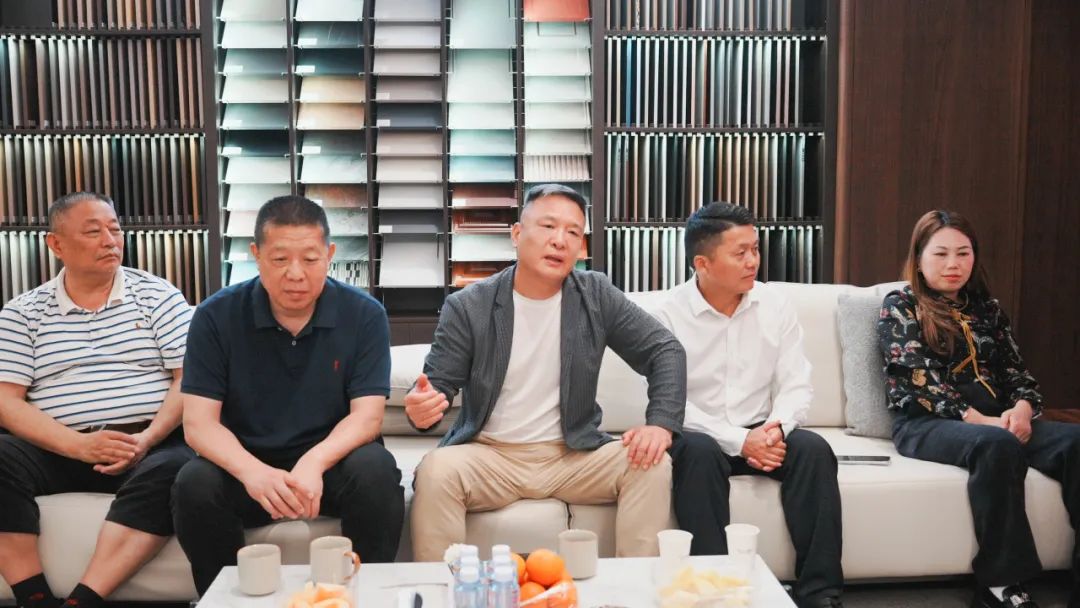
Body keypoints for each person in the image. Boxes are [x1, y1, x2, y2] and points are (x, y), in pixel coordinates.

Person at [405, 183, 686, 561]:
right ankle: (443, 588)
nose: (560, 240)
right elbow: (438, 384)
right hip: (491, 454)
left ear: (581, 247)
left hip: (573, 454)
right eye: (548, 226)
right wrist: (423, 405)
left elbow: (664, 349)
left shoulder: (595, 294)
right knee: (436, 471)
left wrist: (660, 425)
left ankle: (633, 587)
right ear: (517, 234)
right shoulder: (469, 305)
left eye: (573, 232)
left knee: (651, 465)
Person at [172, 195, 403, 594]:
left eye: (310, 259)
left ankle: (364, 597)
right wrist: (253, 473)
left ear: (330, 255)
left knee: (377, 470)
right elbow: (198, 425)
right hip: (248, 468)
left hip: (329, 466)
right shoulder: (215, 316)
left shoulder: (364, 314)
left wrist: (314, 462)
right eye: (280, 259)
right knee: (193, 482)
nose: (295, 274)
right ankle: (227, 600)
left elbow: (367, 417)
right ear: (256, 255)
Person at [0, 192, 194, 608]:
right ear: (56, 244)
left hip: (147, 444)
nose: (110, 240)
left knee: (183, 469)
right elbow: (6, 401)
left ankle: (83, 601)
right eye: (93, 232)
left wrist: (148, 438)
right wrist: (78, 445)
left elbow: (188, 380)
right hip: (59, 447)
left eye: (115, 229)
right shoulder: (22, 313)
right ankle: (34, 598)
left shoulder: (158, 296)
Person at [879, 209, 1080, 608]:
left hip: (998, 419)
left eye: (963, 253)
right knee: (996, 444)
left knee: (1075, 442)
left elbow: (1016, 372)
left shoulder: (987, 309)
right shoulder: (901, 304)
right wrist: (986, 422)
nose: (953, 264)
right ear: (918, 258)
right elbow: (921, 381)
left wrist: (1022, 409)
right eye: (940, 254)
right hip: (927, 422)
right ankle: (1001, 585)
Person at [654, 202, 844, 608]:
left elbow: (796, 381)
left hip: (763, 428)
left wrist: (775, 428)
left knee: (814, 450)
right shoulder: (667, 314)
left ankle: (821, 592)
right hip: (699, 434)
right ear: (702, 263)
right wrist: (741, 442)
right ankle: (713, 592)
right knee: (699, 454)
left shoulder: (774, 304)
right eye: (740, 253)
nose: (753, 261)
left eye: (755, 249)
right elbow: (669, 402)